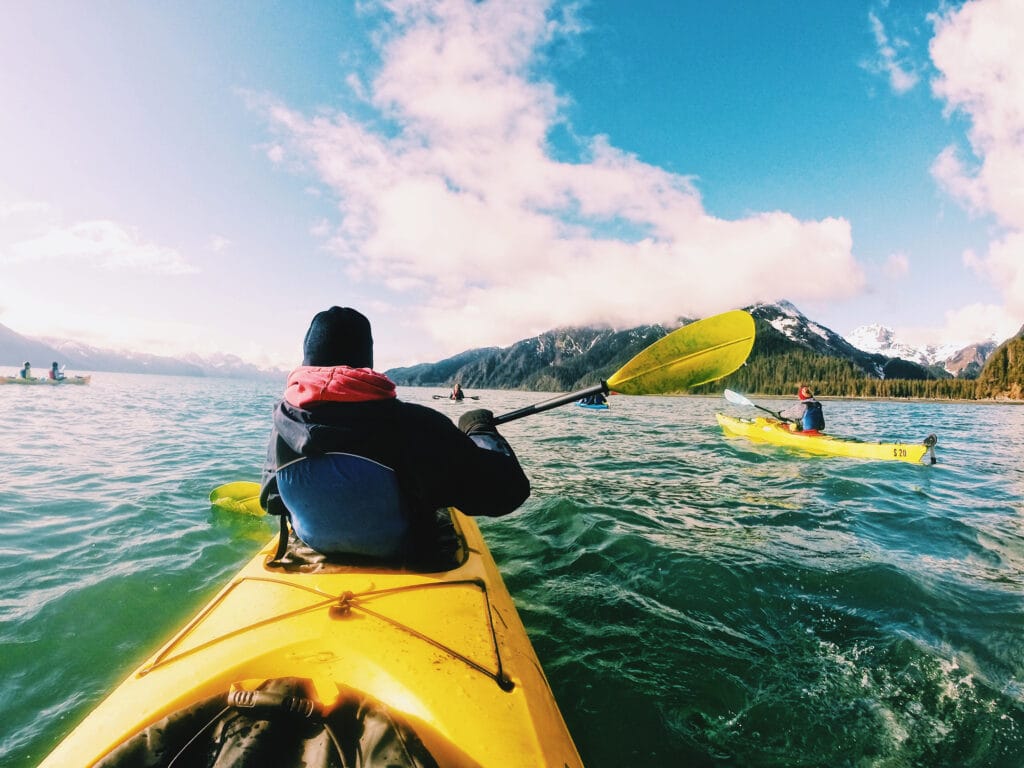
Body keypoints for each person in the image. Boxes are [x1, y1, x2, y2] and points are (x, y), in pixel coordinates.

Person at [260, 306, 530, 562]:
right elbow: (510, 491)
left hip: (315, 547)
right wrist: (478, 428)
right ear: (366, 360)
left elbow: (271, 500)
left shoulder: (281, 423)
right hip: (408, 555)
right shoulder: (415, 424)